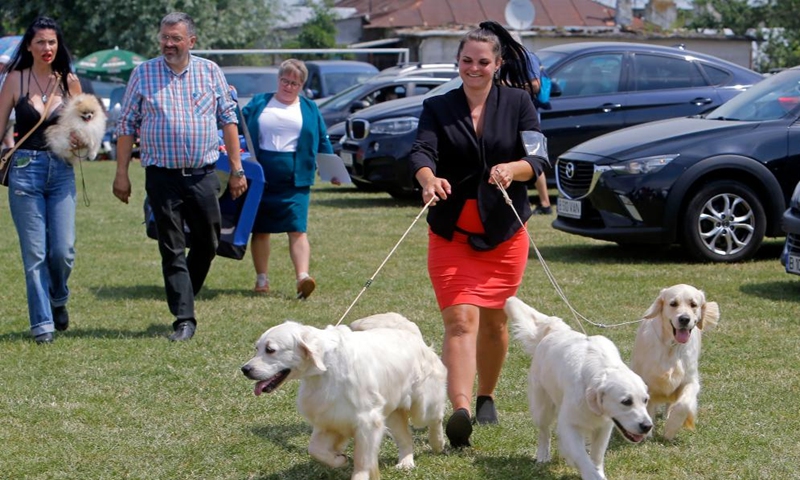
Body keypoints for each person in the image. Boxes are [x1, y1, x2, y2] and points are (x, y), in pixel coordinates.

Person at [409, 22, 545, 448]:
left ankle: (486, 395)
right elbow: (421, 151)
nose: (474, 68)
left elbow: (538, 156)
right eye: (467, 60)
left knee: (494, 323)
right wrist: (428, 178)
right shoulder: (438, 106)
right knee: (460, 319)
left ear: (497, 64)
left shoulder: (519, 102)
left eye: (483, 62)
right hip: (452, 234)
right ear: (458, 63)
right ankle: (461, 409)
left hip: (504, 234)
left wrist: (513, 169)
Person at [112, 12, 247, 342]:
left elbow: (228, 120)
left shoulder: (209, 71)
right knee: (171, 247)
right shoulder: (143, 74)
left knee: (208, 241)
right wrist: (121, 174)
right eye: (164, 37)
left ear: (191, 41)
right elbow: (126, 125)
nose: (168, 44)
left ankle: (185, 290)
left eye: (175, 38)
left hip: (202, 175)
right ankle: (184, 318)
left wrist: (236, 169)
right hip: (162, 177)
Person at [0, 17, 83, 344]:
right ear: (29, 47)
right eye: (40, 43)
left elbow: (85, 128)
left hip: (61, 170)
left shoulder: (70, 83)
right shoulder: (15, 81)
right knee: (34, 253)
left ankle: (58, 297)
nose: (47, 48)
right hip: (24, 169)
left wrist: (81, 138)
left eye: (52, 42)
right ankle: (42, 326)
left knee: (62, 250)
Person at [240, 58, 334, 299]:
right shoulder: (260, 102)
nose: (289, 86)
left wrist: (332, 170)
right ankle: (262, 279)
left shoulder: (310, 108)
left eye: (295, 83)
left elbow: (323, 140)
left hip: (296, 178)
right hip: (260, 176)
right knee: (260, 230)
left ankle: (303, 277)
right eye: (285, 80)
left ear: (301, 86)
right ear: (278, 80)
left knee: (297, 229)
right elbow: (237, 124)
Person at [489, 22, 553, 215]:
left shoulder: (527, 58)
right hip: (507, 113)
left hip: (526, 115)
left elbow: (535, 85)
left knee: (531, 157)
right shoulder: (507, 60)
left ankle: (545, 203)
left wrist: (508, 86)